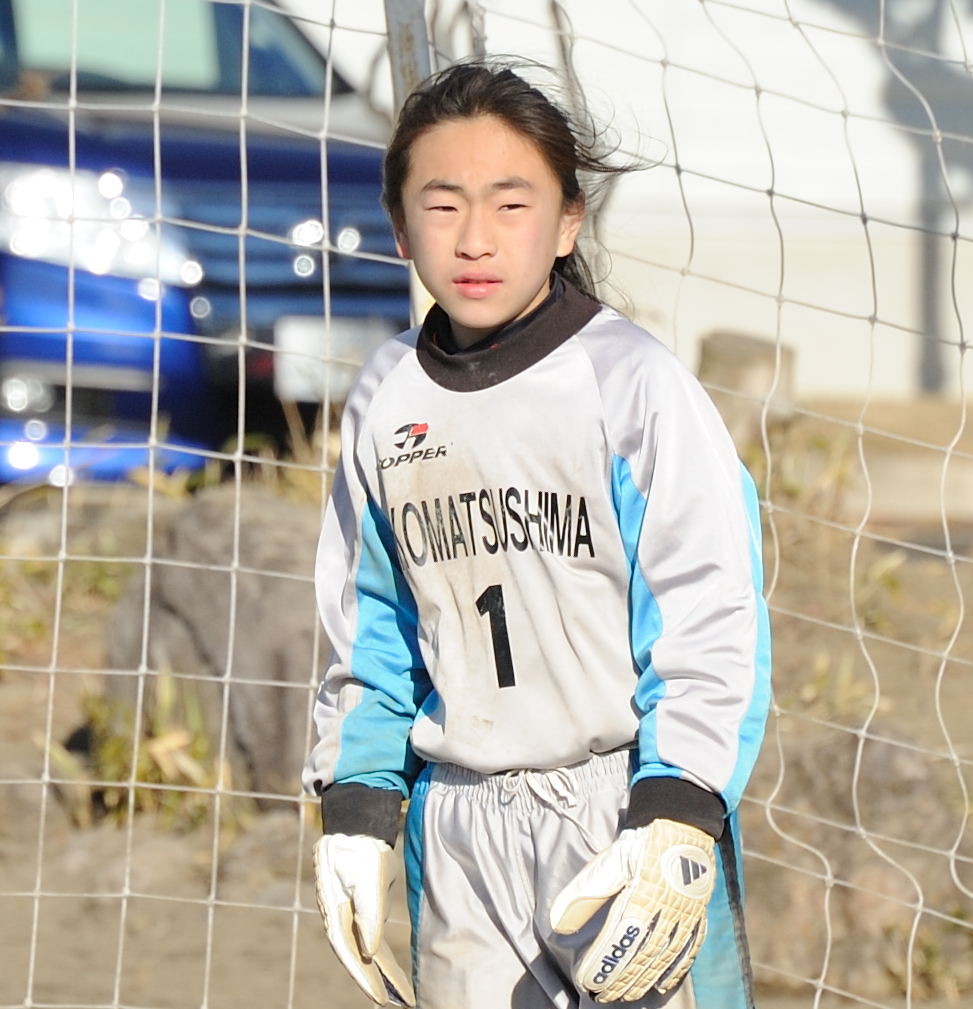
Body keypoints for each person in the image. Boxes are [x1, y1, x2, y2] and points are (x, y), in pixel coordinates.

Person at [302, 58, 771, 1009]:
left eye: (510, 204)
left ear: (567, 222)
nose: (475, 237)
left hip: (619, 816)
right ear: (398, 224)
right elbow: (372, 625)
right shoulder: (384, 398)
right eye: (442, 205)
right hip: (463, 828)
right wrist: (356, 807)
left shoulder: (631, 386)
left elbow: (707, 611)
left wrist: (678, 812)